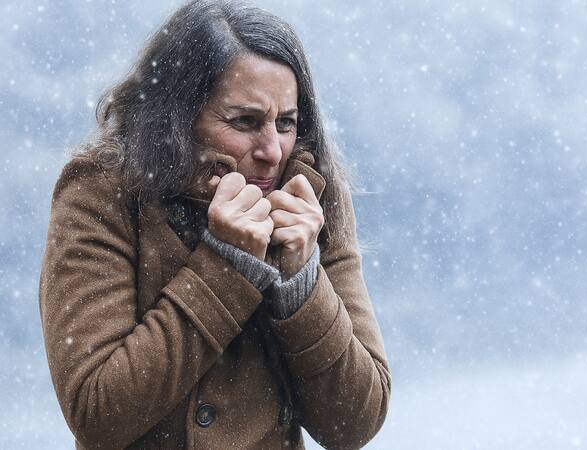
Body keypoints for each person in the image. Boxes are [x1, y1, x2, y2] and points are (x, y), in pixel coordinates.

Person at [38, 1, 390, 448]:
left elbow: (356, 422)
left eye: (285, 123)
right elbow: (96, 412)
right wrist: (228, 265)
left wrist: (302, 280)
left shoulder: (309, 196)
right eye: (245, 121)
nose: (272, 151)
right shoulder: (104, 192)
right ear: (177, 115)